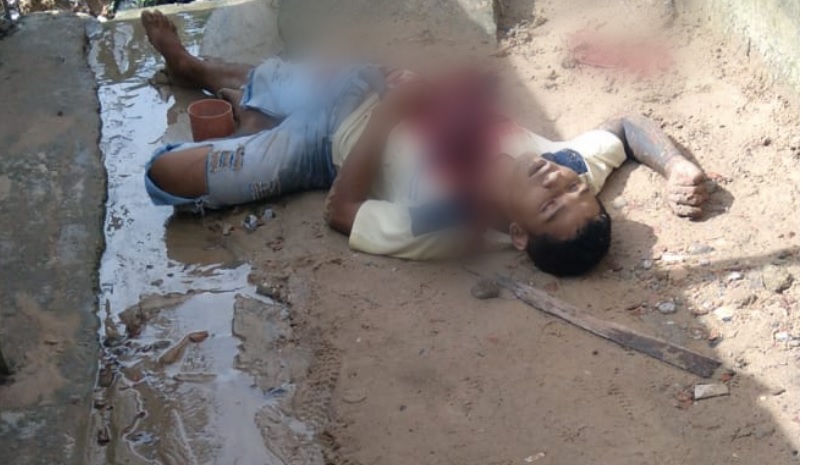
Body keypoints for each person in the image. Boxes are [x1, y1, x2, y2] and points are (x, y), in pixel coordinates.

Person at [140, 10, 709, 277]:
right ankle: (198, 69)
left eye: (551, 205)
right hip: (363, 82)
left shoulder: (449, 223)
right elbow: (626, 127)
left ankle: (248, 116)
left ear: (517, 234)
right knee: (273, 78)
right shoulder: (567, 162)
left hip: (324, 146)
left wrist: (391, 115)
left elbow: (341, 212)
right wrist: (677, 167)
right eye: (576, 188)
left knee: (167, 176)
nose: (557, 181)